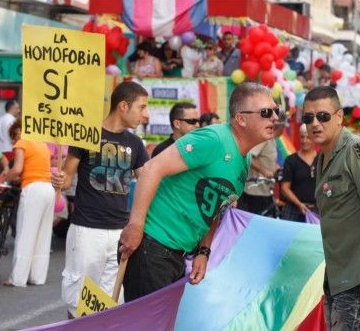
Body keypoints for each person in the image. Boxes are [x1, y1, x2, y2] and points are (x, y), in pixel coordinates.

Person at [118, 82, 279, 301]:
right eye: (266, 112)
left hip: (177, 255)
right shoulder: (212, 139)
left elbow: (214, 207)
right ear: (240, 119)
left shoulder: (245, 159)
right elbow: (150, 169)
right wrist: (135, 225)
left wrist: (204, 252)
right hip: (152, 247)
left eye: (275, 111)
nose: (274, 118)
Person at [51, 81, 149, 318]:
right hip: (87, 230)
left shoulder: (135, 144)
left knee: (110, 301)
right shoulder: (87, 134)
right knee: (78, 299)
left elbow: (147, 181)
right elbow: (66, 180)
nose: (145, 115)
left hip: (120, 233)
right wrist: (58, 179)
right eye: (142, 107)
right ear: (123, 106)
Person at [302, 86, 360, 330]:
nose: (315, 124)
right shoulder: (322, 158)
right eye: (308, 118)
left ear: (339, 117)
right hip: (337, 276)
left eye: (323, 116)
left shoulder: (356, 150)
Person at [3, 118, 55, 287]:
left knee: (26, 233)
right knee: (43, 235)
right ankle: (37, 277)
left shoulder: (22, 143)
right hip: (48, 189)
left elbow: (17, 169)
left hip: (33, 190)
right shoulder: (41, 144)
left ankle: (18, 278)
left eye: (13, 135)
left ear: (19, 130)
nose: (13, 140)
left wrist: (5, 178)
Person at [237, 110, 286, 216]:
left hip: (266, 189)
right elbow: (249, 156)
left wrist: (275, 167)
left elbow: (266, 158)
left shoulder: (272, 139)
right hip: (256, 191)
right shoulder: (264, 138)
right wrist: (264, 171)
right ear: (280, 127)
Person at [280, 124, 318, 222]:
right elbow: (285, 188)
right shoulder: (291, 160)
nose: (304, 141)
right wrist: (299, 204)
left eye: (308, 137)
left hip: (316, 210)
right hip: (293, 209)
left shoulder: (322, 160)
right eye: (302, 137)